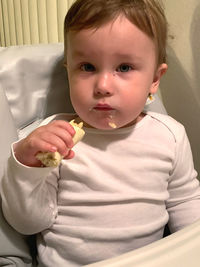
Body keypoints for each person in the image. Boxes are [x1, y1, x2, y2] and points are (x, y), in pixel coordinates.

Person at [1, 0, 200, 266]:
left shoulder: (170, 136)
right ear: (68, 72)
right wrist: (26, 166)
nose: (103, 86)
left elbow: (186, 208)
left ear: (155, 79)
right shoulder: (53, 138)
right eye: (87, 67)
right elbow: (28, 223)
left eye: (124, 68)